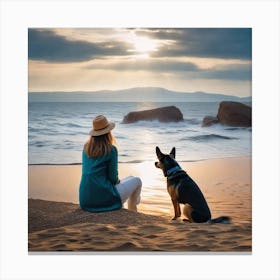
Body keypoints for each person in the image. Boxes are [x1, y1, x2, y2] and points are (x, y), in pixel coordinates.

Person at [79, 115, 142, 213]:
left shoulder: (86, 148)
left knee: (130, 178)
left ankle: (125, 206)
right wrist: (117, 182)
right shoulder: (111, 150)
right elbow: (113, 179)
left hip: (85, 200)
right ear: (108, 132)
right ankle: (133, 211)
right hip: (104, 199)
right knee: (137, 181)